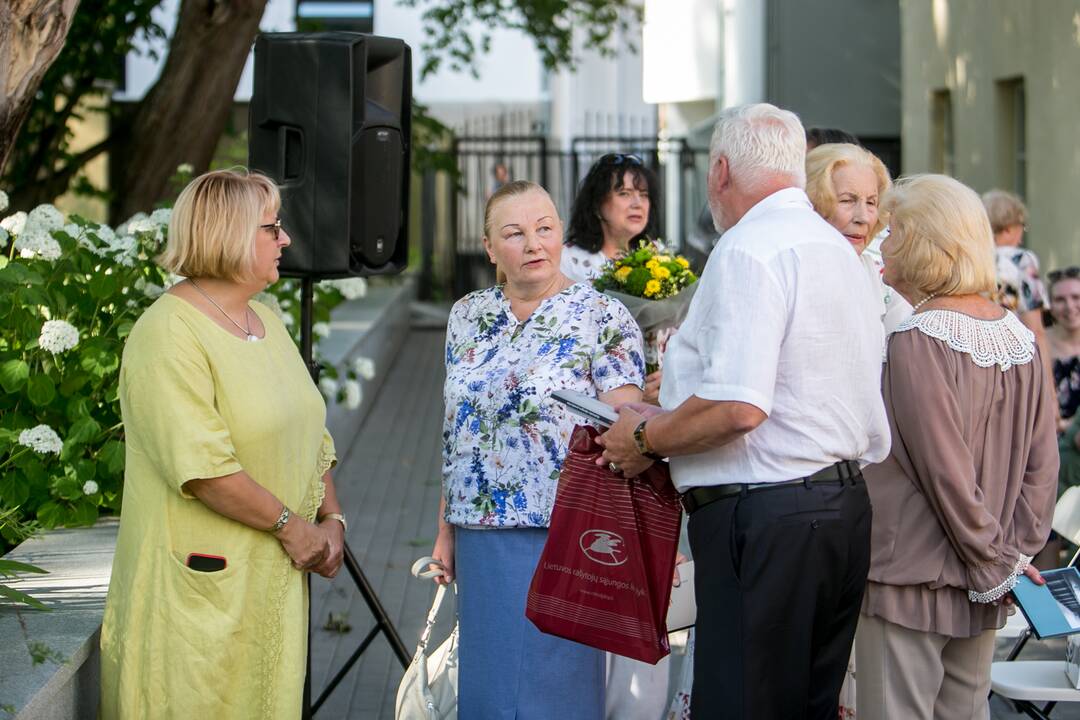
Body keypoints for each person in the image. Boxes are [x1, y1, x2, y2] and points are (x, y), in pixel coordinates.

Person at [597, 103, 890, 719]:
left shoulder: (749, 249)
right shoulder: (835, 248)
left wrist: (644, 436)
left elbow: (739, 405)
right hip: (839, 510)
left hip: (768, 516)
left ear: (721, 170)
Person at [99, 169, 346, 718]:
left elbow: (313, 431)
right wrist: (292, 527)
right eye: (272, 228)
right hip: (199, 596)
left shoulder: (265, 319)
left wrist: (333, 521)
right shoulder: (167, 334)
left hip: (271, 586)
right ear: (228, 234)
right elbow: (205, 470)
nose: (286, 239)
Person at [431, 180, 645, 719]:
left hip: (567, 537)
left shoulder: (603, 317)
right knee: (489, 692)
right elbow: (456, 429)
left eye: (545, 229)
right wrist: (445, 529)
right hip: (480, 534)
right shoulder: (467, 315)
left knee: (558, 691)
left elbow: (629, 436)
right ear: (489, 248)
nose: (533, 243)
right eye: (515, 233)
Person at [855, 174, 1058, 720]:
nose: (883, 245)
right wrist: (1011, 558)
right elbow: (1044, 468)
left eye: (893, 231)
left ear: (924, 241)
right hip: (985, 579)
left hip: (912, 576)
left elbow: (942, 470)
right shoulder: (1019, 335)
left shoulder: (916, 338)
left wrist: (996, 562)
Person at [564, 154, 666, 409]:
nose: (637, 203)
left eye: (643, 195)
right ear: (598, 205)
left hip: (658, 396)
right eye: (624, 193)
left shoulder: (659, 257)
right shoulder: (569, 261)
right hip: (594, 396)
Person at [806, 143, 912, 339]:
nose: (863, 217)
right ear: (813, 202)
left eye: (871, 202)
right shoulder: (789, 272)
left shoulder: (885, 280)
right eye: (847, 200)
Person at [984, 189, 1056, 408]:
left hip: (977, 359)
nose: (1021, 235)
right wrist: (1049, 393)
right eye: (1020, 227)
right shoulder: (1021, 260)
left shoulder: (972, 258)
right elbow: (1035, 328)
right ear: (1007, 228)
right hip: (1014, 362)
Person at [1048, 267, 1080, 491]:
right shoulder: (1035, 344)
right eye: (1060, 299)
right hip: (1050, 454)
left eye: (1076, 297)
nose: (1069, 307)